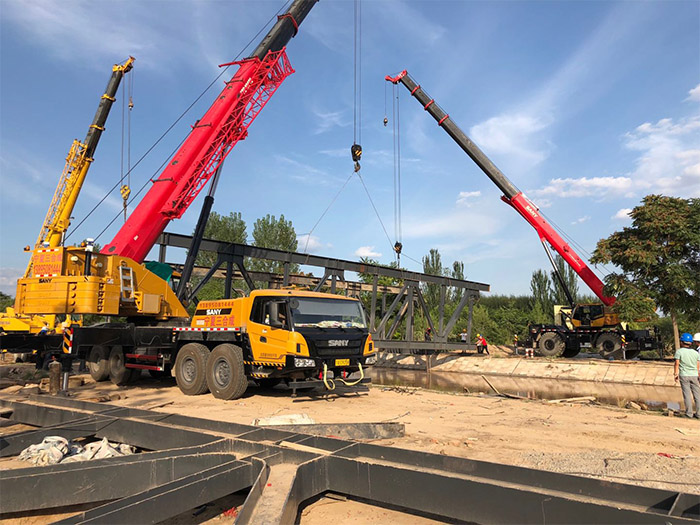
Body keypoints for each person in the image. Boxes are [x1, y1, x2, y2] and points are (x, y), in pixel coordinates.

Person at [674, 332, 700, 419]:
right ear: (691, 343)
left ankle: (689, 414)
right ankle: (699, 414)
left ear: (681, 342)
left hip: (684, 375)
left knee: (687, 395)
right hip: (694, 375)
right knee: (697, 395)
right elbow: (697, 365)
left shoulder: (679, 352)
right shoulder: (695, 353)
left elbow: (677, 364)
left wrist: (675, 374)